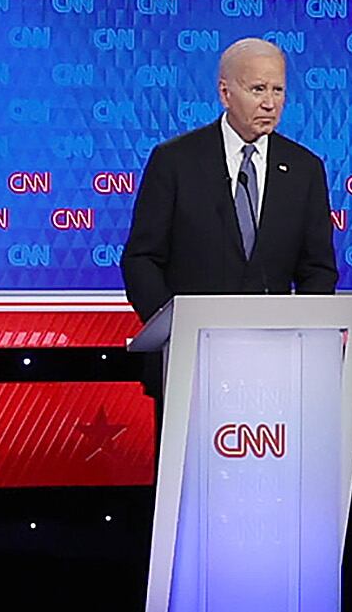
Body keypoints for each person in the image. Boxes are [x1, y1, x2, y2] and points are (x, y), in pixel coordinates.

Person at [121, 37, 339, 399]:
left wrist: (302, 336)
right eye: (257, 89)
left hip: (278, 365)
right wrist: (175, 331)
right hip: (189, 362)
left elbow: (318, 269)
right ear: (226, 93)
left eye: (278, 90)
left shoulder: (305, 168)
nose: (270, 103)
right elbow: (141, 259)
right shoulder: (175, 161)